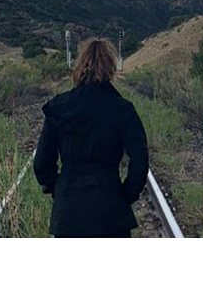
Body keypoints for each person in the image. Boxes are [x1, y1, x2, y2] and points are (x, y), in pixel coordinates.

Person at [33, 38, 149, 238]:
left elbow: (42, 163)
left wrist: (58, 189)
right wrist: (126, 195)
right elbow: (140, 159)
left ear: (79, 66)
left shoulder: (59, 107)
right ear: (111, 68)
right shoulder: (122, 109)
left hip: (69, 211)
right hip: (110, 210)